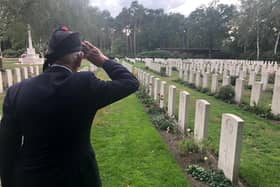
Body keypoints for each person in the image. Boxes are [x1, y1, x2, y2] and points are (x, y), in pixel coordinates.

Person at [0, 26, 139, 187]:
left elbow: (7, 148)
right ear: (79, 59)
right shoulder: (85, 84)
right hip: (78, 178)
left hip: (30, 178)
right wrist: (103, 60)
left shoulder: (16, 91)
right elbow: (130, 82)